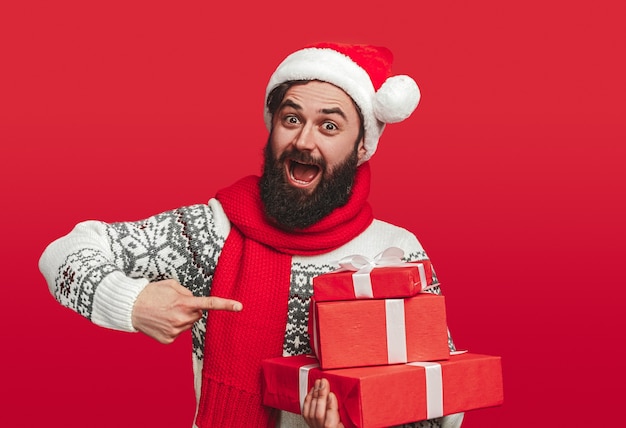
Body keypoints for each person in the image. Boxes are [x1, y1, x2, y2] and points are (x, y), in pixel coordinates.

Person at [39, 42, 464, 428]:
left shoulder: (396, 253)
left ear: (362, 148)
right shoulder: (211, 231)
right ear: (272, 126)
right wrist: (132, 301)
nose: (303, 141)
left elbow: (434, 405)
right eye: (291, 119)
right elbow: (63, 254)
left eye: (329, 127)